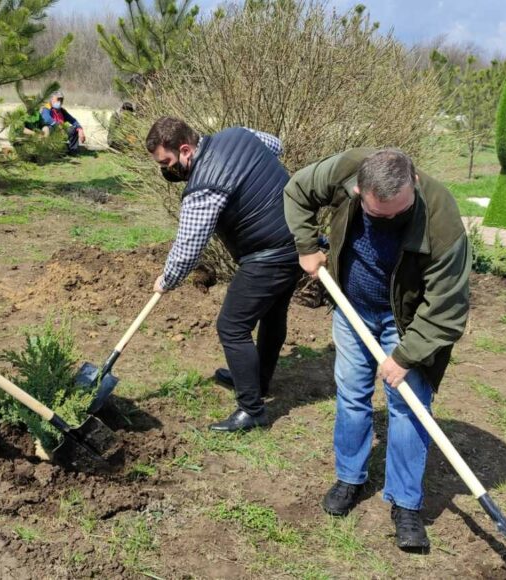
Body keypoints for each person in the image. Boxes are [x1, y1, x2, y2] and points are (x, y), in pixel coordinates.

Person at [283, 148, 471, 550]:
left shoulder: (441, 217)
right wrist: (305, 245)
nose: (388, 220)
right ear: (356, 190)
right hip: (351, 308)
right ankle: (350, 478)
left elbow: (447, 307)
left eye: (397, 213)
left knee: (407, 404)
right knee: (351, 395)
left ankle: (405, 503)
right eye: (377, 215)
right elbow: (297, 189)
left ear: (414, 184)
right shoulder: (344, 170)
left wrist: (406, 356)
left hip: (407, 321)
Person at [146, 117, 301, 432]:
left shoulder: (204, 186)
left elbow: (189, 248)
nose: (165, 170)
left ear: (186, 149)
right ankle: (257, 380)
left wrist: (167, 280)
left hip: (268, 255)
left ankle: (252, 410)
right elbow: (276, 145)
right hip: (298, 242)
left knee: (232, 327)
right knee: (272, 317)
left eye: (167, 162)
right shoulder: (237, 134)